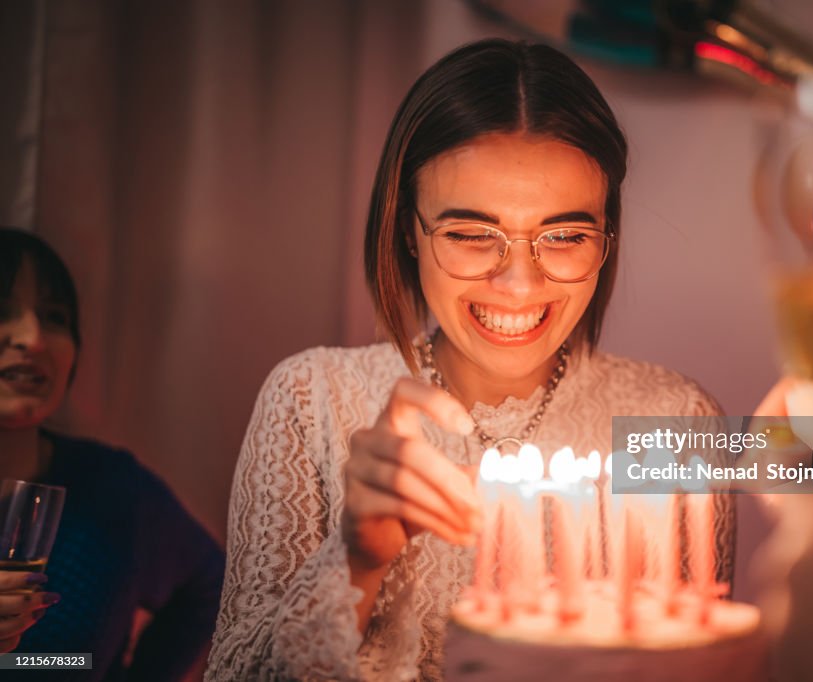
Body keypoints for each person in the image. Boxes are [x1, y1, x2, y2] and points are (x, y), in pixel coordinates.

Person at [207, 39, 732, 681]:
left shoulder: (673, 423)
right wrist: (356, 562)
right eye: (470, 235)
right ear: (407, 228)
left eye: (564, 236)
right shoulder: (311, 398)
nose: (518, 283)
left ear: (606, 235)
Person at [0, 227, 225, 680]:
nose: (34, 338)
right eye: (4, 311)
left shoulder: (114, 490)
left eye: (55, 316)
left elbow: (209, 584)